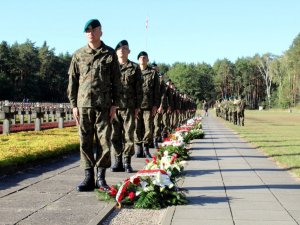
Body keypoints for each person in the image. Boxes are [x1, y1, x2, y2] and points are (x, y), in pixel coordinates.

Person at [67, 19, 121, 191]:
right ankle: (88, 176)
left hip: (103, 106)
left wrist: (115, 104)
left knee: (104, 141)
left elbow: (117, 82)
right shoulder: (78, 54)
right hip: (83, 106)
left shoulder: (110, 54)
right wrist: (74, 105)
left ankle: (100, 177)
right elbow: (72, 81)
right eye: (87, 31)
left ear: (100, 32)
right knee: (85, 141)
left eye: (93, 29)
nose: (90, 33)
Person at [111, 40, 143, 173]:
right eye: (119, 48)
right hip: (114, 107)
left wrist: (137, 107)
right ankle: (117, 161)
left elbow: (139, 89)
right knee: (115, 135)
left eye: (124, 48)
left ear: (129, 51)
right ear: (116, 51)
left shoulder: (134, 68)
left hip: (129, 106)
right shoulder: (110, 67)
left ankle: (127, 161)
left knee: (129, 135)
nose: (121, 50)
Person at [135, 51, 160, 158]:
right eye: (140, 57)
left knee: (148, 128)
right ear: (138, 60)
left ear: (148, 60)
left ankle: (146, 148)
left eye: (145, 57)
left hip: (148, 105)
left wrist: (156, 105)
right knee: (137, 127)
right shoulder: (134, 71)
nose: (142, 59)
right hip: (136, 105)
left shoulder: (152, 73)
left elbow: (156, 91)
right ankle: (138, 149)